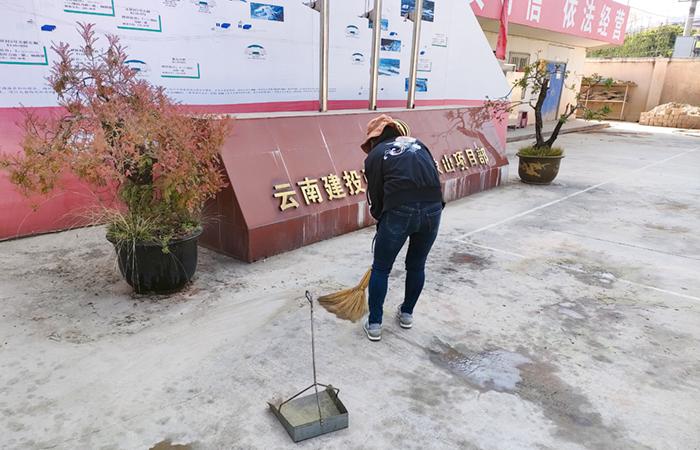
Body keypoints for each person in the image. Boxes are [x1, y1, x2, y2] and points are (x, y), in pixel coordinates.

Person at [360, 114, 444, 342]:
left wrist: (381, 219)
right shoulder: (418, 144)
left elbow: (375, 195)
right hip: (433, 208)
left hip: (399, 211)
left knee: (381, 268)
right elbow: (434, 177)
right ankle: (407, 314)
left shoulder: (376, 155)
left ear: (373, 139)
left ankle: (375, 324)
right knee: (416, 265)